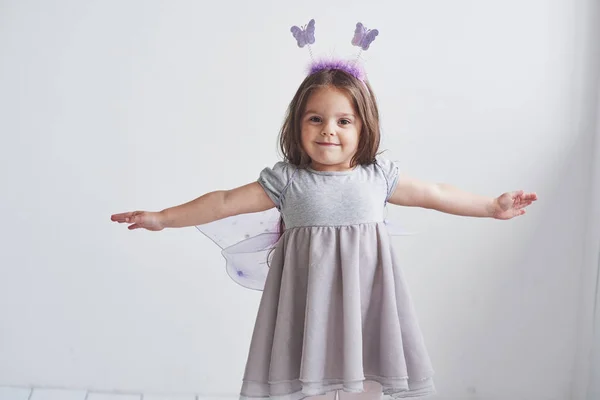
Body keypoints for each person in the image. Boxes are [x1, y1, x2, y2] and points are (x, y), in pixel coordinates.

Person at [111, 22, 538, 400]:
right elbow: (223, 201)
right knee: (306, 377)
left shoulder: (377, 177)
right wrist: (162, 217)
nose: (328, 130)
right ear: (297, 124)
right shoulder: (287, 180)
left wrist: (489, 206)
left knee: (365, 375)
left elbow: (435, 192)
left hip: (366, 302)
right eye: (315, 119)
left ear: (363, 126)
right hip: (306, 301)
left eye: (343, 121)